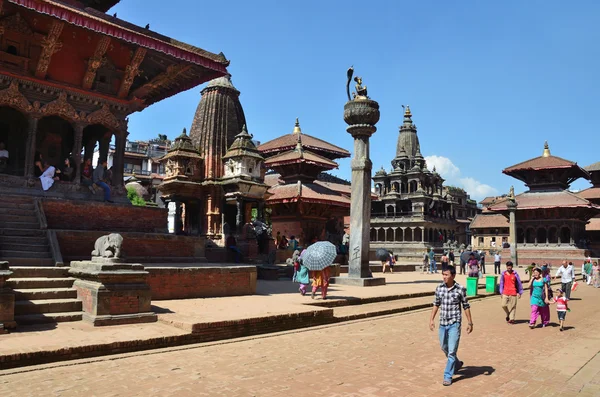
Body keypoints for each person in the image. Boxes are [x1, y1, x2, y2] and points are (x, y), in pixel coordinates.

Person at [429, 265, 473, 387]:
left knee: (452, 351)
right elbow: (436, 304)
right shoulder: (439, 289)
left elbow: (466, 306)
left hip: (455, 323)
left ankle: (447, 376)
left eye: (446, 275)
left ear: (453, 276)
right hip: (443, 323)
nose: (444, 277)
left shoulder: (460, 289)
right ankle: (457, 364)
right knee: (444, 347)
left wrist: (470, 322)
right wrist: (431, 319)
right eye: (443, 274)